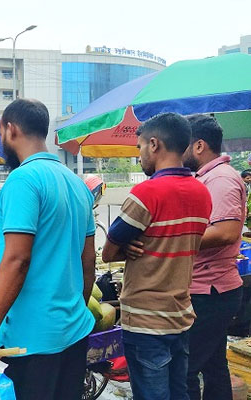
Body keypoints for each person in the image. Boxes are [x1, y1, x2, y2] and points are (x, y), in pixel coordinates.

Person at [0, 99, 97, 400]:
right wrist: (73, 309)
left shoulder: (23, 180)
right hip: (73, 331)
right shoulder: (76, 183)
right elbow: (89, 259)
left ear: (10, 129)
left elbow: (17, 259)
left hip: (32, 341)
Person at [102, 113, 212, 400]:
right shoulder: (202, 193)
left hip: (146, 321)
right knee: (179, 392)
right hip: (180, 315)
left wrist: (127, 249)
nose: (139, 155)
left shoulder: (146, 193)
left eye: (139, 147)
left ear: (154, 144)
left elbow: (108, 251)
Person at [180, 115, 245, 400]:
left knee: (186, 369)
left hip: (211, 291)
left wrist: (174, 241)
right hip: (210, 288)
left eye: (182, 145)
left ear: (199, 146)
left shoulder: (220, 179)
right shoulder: (208, 177)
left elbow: (227, 232)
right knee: (213, 364)